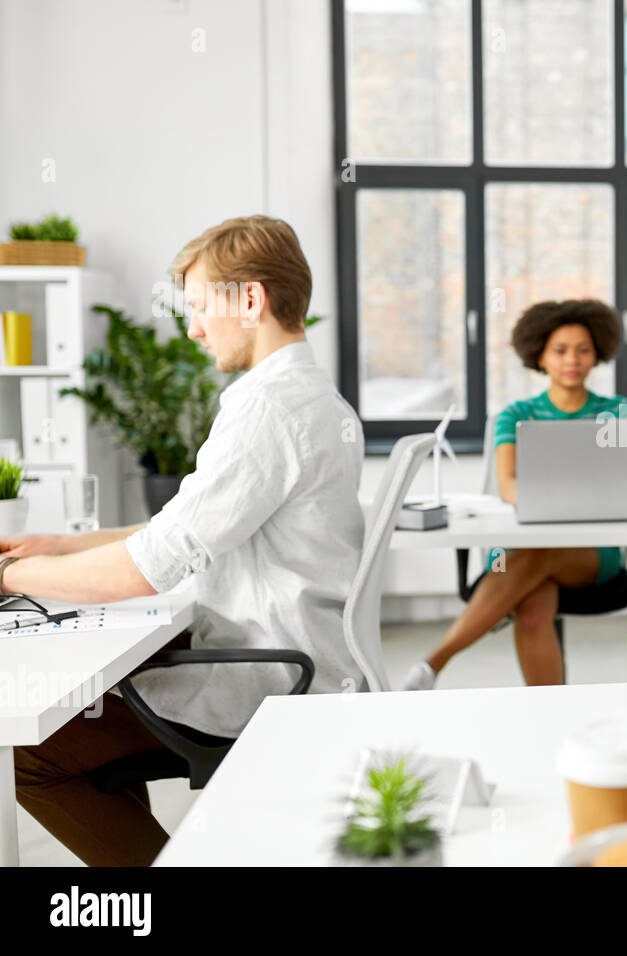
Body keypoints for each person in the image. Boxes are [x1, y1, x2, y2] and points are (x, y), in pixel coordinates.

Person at [0, 215, 365, 865]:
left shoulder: (267, 409)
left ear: (249, 300)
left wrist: (9, 579)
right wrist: (61, 547)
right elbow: (182, 528)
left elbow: (146, 571)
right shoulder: (310, 399)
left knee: (35, 754)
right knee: (89, 701)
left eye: (200, 308)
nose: (194, 328)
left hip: (266, 676)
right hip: (297, 653)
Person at [402, 299, 627, 690]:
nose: (571, 360)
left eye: (583, 349)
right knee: (532, 604)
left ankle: (434, 663)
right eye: (560, 351)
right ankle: (549, 712)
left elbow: (625, 484)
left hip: (591, 553)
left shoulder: (619, 412)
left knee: (536, 557)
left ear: (597, 355)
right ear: (540, 356)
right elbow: (507, 483)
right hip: (520, 545)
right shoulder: (516, 414)